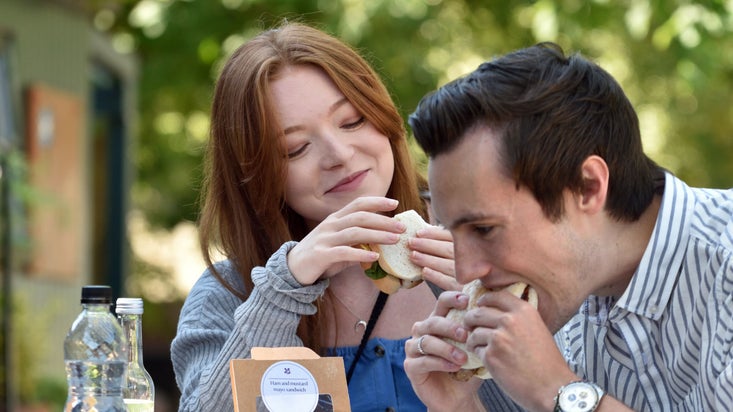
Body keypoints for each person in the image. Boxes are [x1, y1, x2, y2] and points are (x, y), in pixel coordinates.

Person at [403, 42, 733, 411]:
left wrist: (559, 392)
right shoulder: (564, 309)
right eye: (452, 232)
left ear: (587, 187)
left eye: (484, 230)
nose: (464, 270)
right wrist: (460, 407)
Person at [170, 22, 456, 411]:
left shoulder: (483, 246)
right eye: (295, 148)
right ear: (255, 177)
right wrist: (282, 290)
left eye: (352, 121)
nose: (339, 154)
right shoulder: (227, 295)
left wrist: (482, 301)